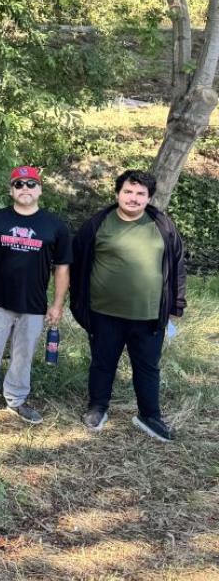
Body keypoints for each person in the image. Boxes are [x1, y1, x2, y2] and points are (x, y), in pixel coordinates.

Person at [71, 169, 186, 442]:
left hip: (149, 315)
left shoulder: (163, 226)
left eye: (140, 193)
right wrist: (77, 302)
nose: (133, 198)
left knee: (148, 367)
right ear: (117, 194)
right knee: (102, 363)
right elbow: (76, 263)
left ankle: (150, 415)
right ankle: (97, 407)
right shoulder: (98, 224)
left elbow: (178, 265)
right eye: (128, 192)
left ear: (148, 198)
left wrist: (176, 306)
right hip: (104, 313)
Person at [0, 166, 71, 424]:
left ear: (40, 189)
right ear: (11, 190)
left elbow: (62, 267)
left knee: (23, 354)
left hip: (33, 304)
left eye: (31, 184)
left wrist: (57, 304)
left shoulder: (55, 225)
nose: (25, 189)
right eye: (19, 184)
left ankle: (16, 399)